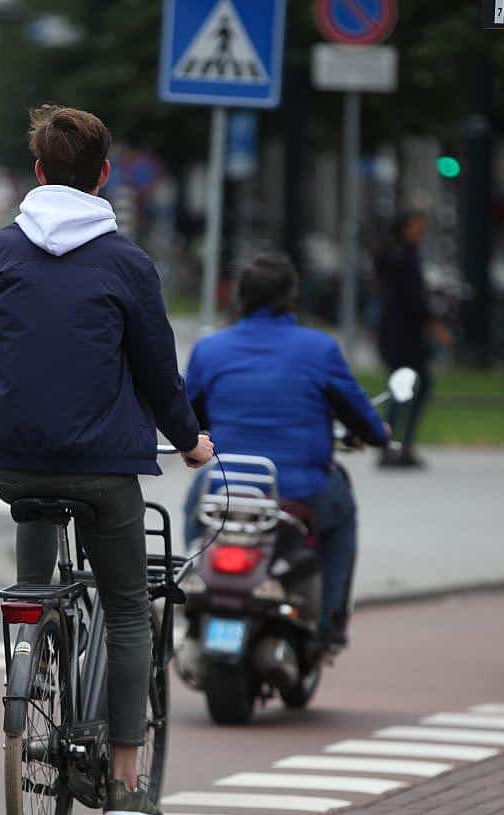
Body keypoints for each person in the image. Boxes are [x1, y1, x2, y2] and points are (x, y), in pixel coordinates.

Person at [0, 106, 213, 815]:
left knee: (33, 546)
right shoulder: (127, 264)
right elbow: (158, 373)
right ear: (103, 176)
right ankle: (127, 783)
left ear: (39, 172)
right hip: (102, 467)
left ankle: (32, 647)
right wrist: (189, 440)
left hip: (11, 461)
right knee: (130, 608)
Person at [184, 253, 389, 650]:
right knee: (342, 511)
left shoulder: (210, 350)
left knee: (196, 505)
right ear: (291, 299)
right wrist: (378, 433)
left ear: (240, 299)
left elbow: (187, 417)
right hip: (300, 492)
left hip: (227, 488)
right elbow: (359, 412)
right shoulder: (320, 349)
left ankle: (194, 587)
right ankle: (330, 620)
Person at [373, 211, 432, 468]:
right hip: (404, 337)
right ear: (405, 229)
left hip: (398, 335)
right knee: (405, 390)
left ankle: (396, 445)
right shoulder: (403, 258)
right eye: (417, 227)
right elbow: (413, 300)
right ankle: (395, 446)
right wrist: (432, 324)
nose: (422, 233)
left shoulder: (399, 256)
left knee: (406, 389)